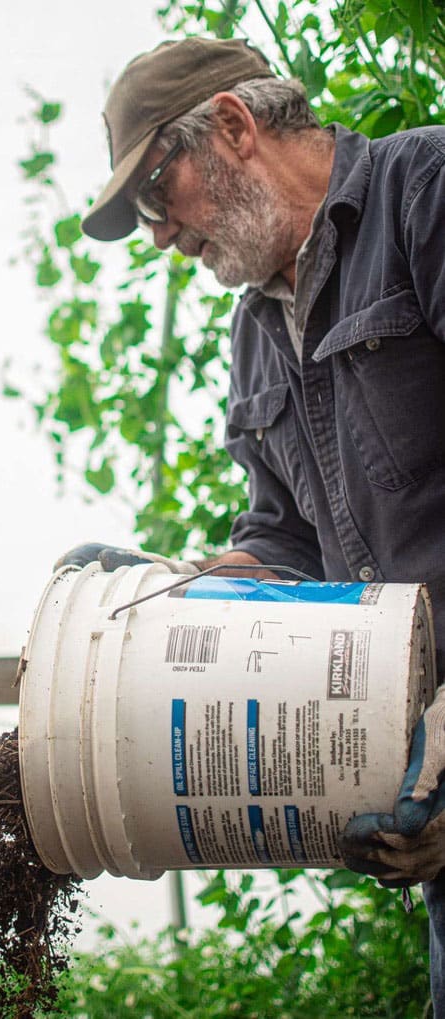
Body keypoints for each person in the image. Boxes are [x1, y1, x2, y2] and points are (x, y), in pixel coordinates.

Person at [59, 35, 445, 1009]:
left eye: (156, 194)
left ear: (232, 127)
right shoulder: (256, 330)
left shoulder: (424, 196)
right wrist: (176, 589)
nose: (157, 235)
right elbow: (288, 536)